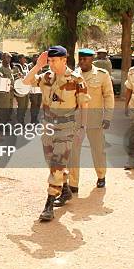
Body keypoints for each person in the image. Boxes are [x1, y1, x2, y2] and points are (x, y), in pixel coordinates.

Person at [23, 45, 89, 222]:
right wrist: (38, 65)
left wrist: (82, 128)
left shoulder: (76, 79)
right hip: (48, 127)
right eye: (49, 60)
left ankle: (49, 205)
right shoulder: (46, 76)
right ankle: (65, 189)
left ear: (63, 60)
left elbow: (84, 105)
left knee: (57, 164)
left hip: (67, 128)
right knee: (52, 163)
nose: (50, 64)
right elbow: (26, 81)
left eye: (53, 60)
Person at [68, 48, 114, 192]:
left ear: (92, 60)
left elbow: (108, 96)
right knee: (73, 151)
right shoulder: (72, 75)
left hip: (95, 119)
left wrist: (107, 117)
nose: (82, 61)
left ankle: (101, 176)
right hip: (76, 120)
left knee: (98, 150)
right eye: (80, 58)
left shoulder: (102, 75)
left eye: (85, 59)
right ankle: (73, 183)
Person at [0, 52, 14, 124]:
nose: (9, 59)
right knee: (3, 108)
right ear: (2, 58)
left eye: (10, 58)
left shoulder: (9, 67)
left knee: (9, 108)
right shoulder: (0, 68)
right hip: (4, 93)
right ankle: (2, 124)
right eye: (7, 57)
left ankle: (6, 123)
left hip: (10, 92)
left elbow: (10, 78)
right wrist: (8, 85)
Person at [13, 54, 30, 124]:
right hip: (20, 89)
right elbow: (13, 77)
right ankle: (19, 121)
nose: (25, 60)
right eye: (23, 58)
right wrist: (18, 75)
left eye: (25, 58)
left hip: (26, 88)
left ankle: (22, 120)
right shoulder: (16, 67)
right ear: (19, 59)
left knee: (26, 105)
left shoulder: (26, 66)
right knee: (21, 106)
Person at [28, 54, 44, 124]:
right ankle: (32, 119)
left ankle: (36, 118)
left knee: (38, 104)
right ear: (32, 59)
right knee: (34, 104)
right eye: (35, 58)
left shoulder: (40, 67)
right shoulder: (30, 66)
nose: (36, 59)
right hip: (33, 88)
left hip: (39, 88)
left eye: (38, 58)